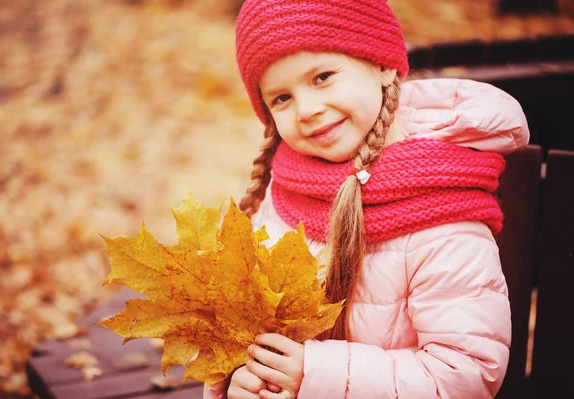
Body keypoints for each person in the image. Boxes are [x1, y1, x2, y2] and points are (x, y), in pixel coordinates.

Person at [205, 0, 530, 398]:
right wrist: (242, 380)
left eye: (322, 76)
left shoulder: (440, 211)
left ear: (383, 65)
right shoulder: (284, 192)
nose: (306, 109)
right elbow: (250, 333)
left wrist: (314, 375)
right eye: (281, 98)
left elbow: (465, 376)